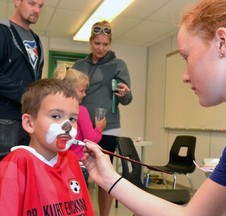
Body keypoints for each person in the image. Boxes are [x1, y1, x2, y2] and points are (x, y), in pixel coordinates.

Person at [81, 0, 226, 215]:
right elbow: (192, 214)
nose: (185, 77)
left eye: (186, 57)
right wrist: (109, 178)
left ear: (221, 42)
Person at [0, 78, 95, 215]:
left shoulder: (72, 160)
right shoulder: (18, 163)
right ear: (29, 123)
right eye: (56, 116)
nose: (67, 126)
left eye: (72, 119)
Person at [72, 20, 133, 216]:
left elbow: (127, 99)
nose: (101, 48)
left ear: (110, 44)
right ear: (90, 42)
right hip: (80, 128)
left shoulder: (118, 65)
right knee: (78, 173)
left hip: (108, 127)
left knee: (104, 177)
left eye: (105, 44)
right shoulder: (79, 65)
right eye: (97, 43)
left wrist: (124, 93)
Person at [0, 0, 45, 154]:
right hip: (5, 119)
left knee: (21, 171)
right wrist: (26, 95)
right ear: (17, 1)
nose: (37, 10)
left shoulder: (36, 40)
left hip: (28, 119)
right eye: (32, 4)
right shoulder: (3, 32)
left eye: (40, 6)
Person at [54, 64, 106, 186]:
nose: (84, 94)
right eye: (82, 91)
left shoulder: (55, 110)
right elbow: (91, 139)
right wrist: (99, 128)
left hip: (58, 163)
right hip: (78, 165)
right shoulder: (80, 110)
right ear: (70, 90)